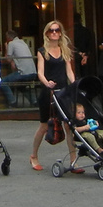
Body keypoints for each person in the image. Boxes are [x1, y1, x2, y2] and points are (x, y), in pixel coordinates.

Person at [32, 21, 77, 171]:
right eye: (51, 31)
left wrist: (75, 84)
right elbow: (40, 71)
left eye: (57, 30)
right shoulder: (42, 51)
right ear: (47, 33)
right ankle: (34, 155)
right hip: (48, 93)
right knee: (44, 125)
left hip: (63, 92)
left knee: (68, 125)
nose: (54, 33)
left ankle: (73, 160)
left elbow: (69, 71)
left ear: (60, 33)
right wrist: (46, 82)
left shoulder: (64, 49)